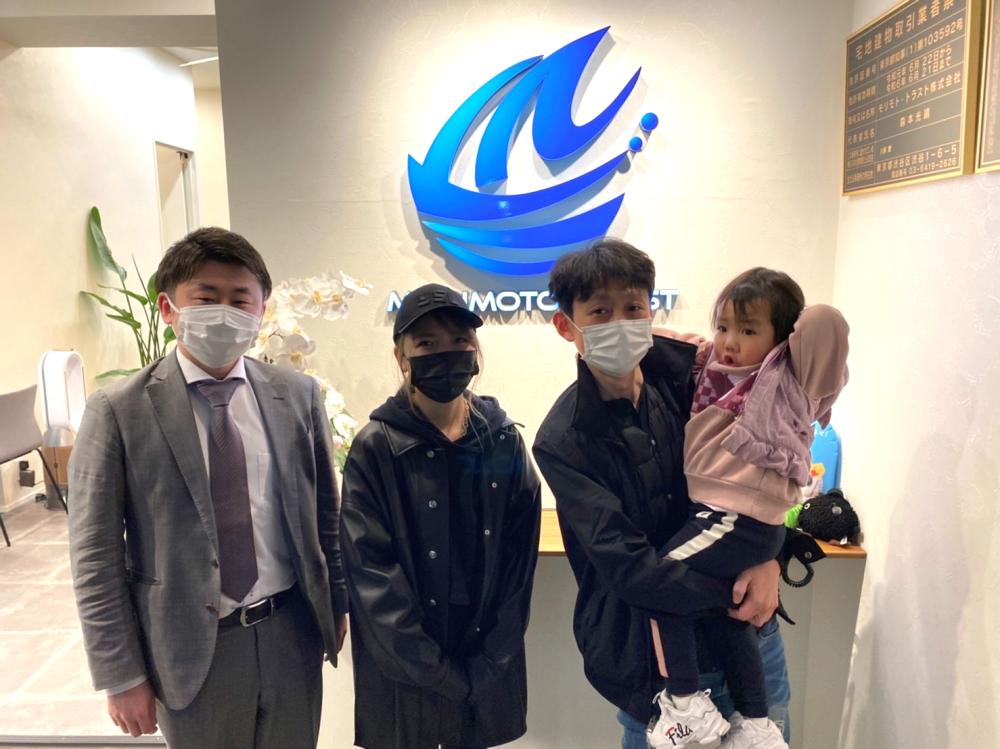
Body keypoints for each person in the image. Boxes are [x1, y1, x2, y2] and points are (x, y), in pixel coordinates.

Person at [68, 227, 348, 748]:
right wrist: (120, 674)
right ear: (168, 308)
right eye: (206, 297)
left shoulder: (297, 396)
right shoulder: (118, 411)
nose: (225, 312)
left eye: (240, 300)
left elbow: (324, 517)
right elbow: (94, 556)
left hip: (290, 634)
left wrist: (335, 605)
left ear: (260, 311)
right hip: (191, 650)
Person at [531, 240, 787, 749]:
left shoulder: (695, 383)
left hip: (754, 644)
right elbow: (629, 567)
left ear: (651, 312)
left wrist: (770, 559)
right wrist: (732, 592)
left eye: (633, 308)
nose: (620, 323)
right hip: (660, 669)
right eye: (599, 312)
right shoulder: (564, 440)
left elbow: (768, 467)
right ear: (566, 326)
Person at [645, 267, 849, 748]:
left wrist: (792, 320)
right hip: (722, 515)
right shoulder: (711, 368)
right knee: (731, 610)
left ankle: (686, 703)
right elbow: (670, 340)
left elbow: (826, 323)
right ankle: (756, 724)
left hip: (735, 516)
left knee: (658, 582)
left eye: (749, 330)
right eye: (723, 326)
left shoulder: (789, 378)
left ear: (783, 338)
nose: (730, 341)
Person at [340, 283, 542, 749]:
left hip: (486, 659)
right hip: (405, 669)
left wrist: (492, 659)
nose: (444, 354)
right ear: (401, 356)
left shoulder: (502, 440)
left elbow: (519, 562)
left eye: (458, 341)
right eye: (427, 344)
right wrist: (436, 672)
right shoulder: (376, 447)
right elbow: (370, 573)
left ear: (476, 350)